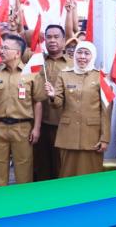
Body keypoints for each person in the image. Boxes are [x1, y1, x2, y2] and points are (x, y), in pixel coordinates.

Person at [0, 35, 44, 186]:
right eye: (1, 47)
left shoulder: (31, 74)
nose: (1, 51)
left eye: (6, 48)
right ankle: (0, 206)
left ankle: (22, 205)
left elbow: (38, 103)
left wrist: (36, 128)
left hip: (23, 128)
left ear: (17, 53)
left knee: (23, 169)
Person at [45, 41, 110, 177]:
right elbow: (58, 103)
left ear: (93, 56)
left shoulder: (100, 77)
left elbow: (106, 110)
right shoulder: (64, 75)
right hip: (68, 135)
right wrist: (52, 96)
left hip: (92, 136)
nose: (82, 57)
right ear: (74, 55)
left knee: (91, 176)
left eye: (87, 53)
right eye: (79, 52)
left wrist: (105, 138)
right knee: (67, 174)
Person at [34, 25, 71, 180]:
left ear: (63, 41)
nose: (52, 40)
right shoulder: (36, 60)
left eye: (56, 37)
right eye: (49, 37)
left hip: (63, 124)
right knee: (40, 168)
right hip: (39, 124)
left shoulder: (72, 65)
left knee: (60, 167)